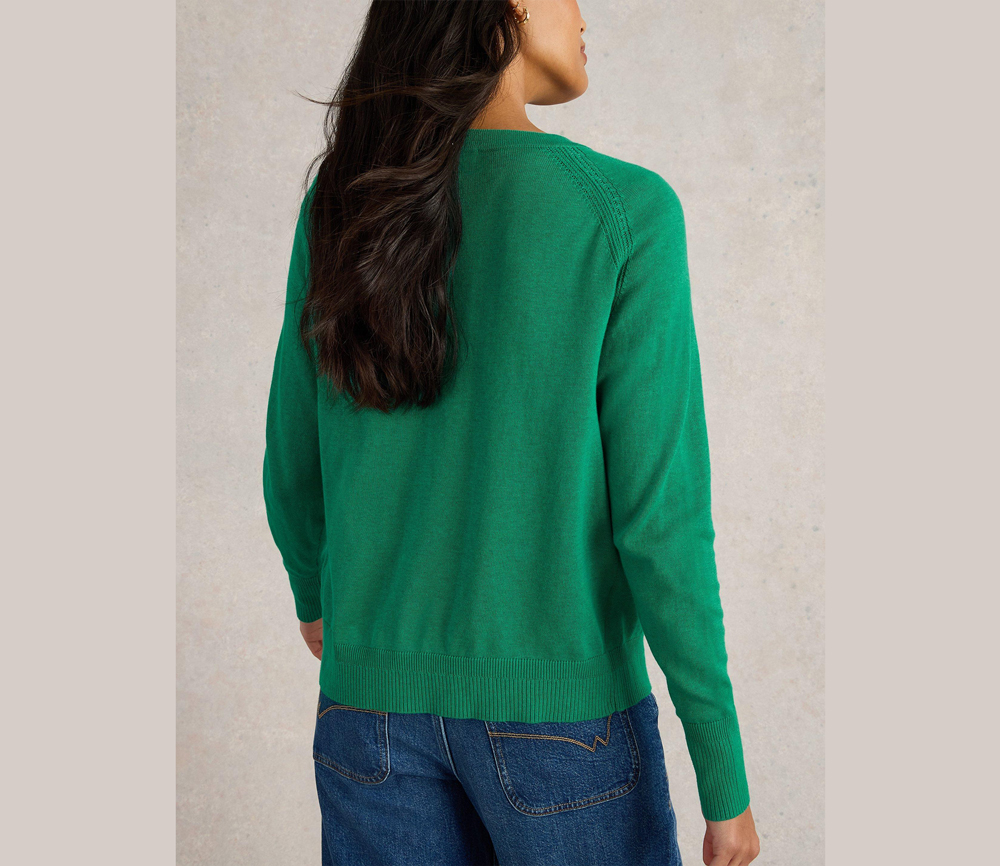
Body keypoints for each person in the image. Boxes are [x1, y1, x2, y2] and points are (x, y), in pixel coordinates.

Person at [262, 1, 760, 863]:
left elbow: (291, 458)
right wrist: (724, 776)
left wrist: (317, 597)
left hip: (367, 714)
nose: (583, 14)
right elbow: (662, 523)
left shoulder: (344, 204)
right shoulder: (623, 211)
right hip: (563, 722)